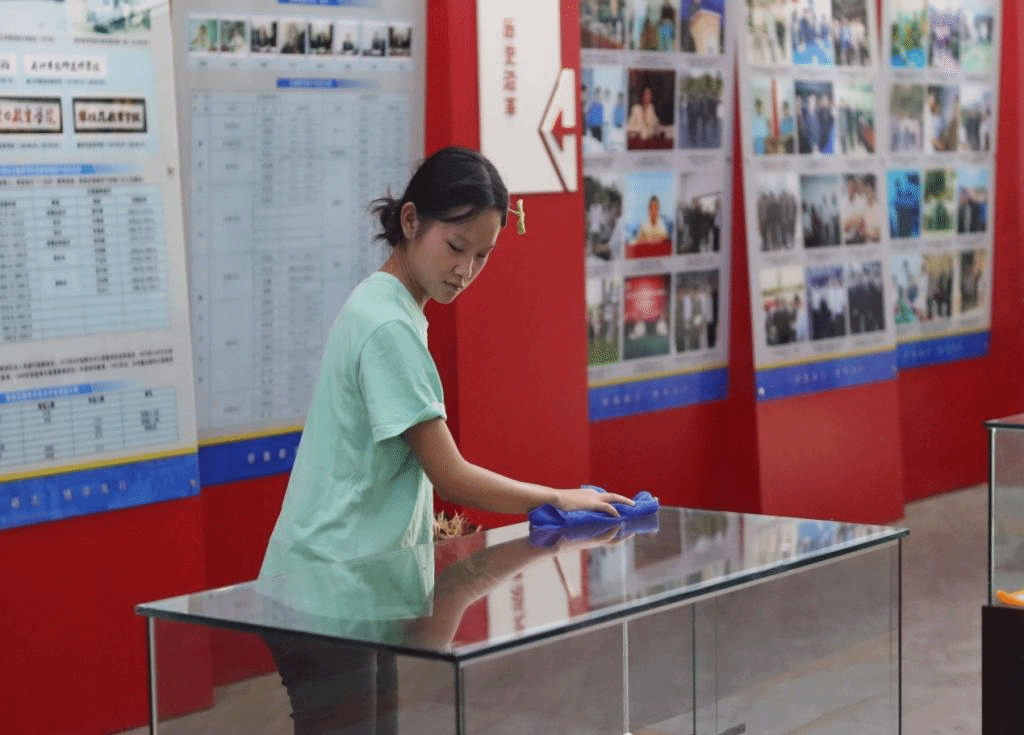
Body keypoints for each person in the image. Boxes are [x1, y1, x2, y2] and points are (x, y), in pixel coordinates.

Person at [261, 147, 633, 579]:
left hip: (333, 576)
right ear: (410, 220)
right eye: (456, 246)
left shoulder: (381, 303)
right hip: (332, 585)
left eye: (482, 255)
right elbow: (451, 477)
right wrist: (558, 499)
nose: (465, 270)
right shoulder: (389, 326)